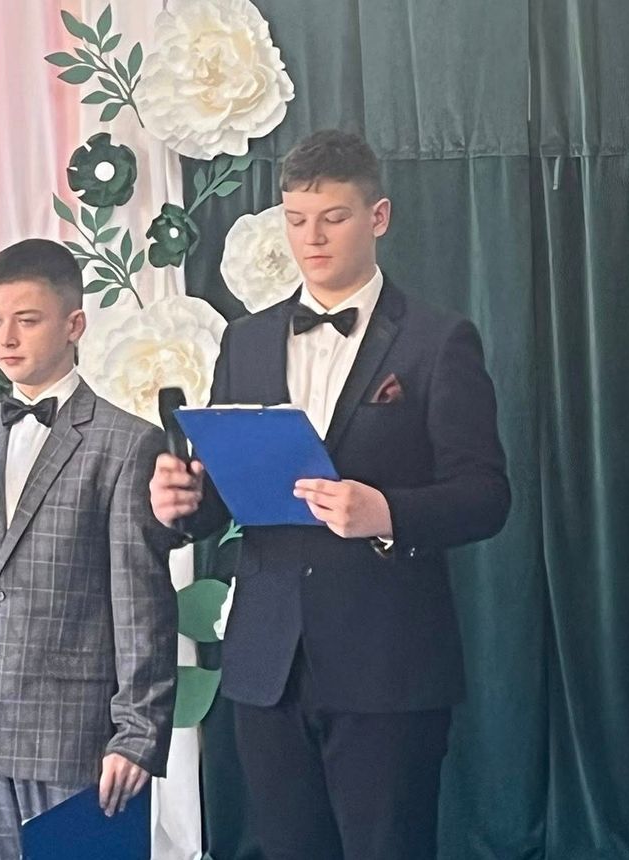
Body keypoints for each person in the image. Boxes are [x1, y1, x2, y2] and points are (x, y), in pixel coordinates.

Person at [150, 130, 511, 859]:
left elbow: (486, 495)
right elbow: (223, 498)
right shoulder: (245, 341)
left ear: (378, 217)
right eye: (296, 219)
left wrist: (387, 512)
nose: (310, 238)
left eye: (333, 218)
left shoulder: (438, 341)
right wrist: (183, 502)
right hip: (267, 662)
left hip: (388, 664)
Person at [0, 238, 178, 859]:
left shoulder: (127, 444)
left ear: (74, 325)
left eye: (27, 319)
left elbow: (142, 604)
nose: (7, 339)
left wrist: (137, 733)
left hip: (73, 738)